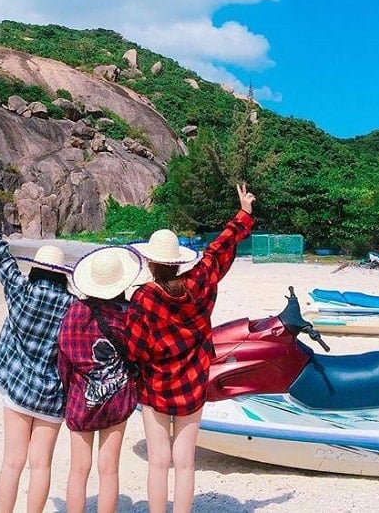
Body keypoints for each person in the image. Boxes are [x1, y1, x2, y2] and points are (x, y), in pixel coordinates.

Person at [125, 182, 257, 513]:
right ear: (178, 262)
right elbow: (217, 253)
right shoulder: (198, 283)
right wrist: (243, 213)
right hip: (193, 381)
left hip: (155, 385)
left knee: (158, 462)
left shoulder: (144, 297)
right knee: (185, 462)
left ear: (151, 263)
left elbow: (136, 350)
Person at [0, 191, 75, 513]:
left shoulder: (22, 292)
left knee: (12, 462)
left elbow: (3, 258)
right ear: (61, 274)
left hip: (18, 389)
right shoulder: (73, 306)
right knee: (41, 465)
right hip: (51, 395)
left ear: (38, 269)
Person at [57, 246, 143, 513]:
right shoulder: (130, 313)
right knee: (109, 470)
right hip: (118, 399)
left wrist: (70, 390)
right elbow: (139, 353)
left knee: (78, 470)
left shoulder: (75, 312)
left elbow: (64, 359)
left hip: (81, 400)